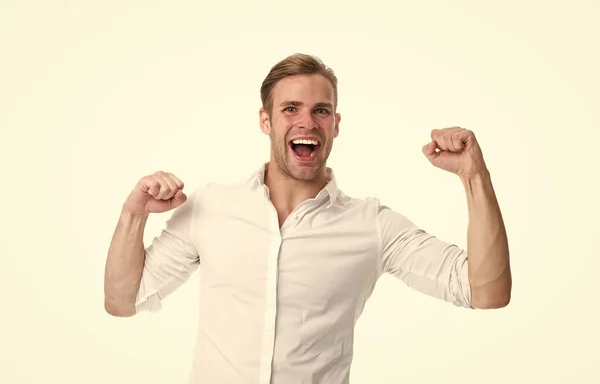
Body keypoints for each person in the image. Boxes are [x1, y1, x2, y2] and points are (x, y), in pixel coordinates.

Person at [103, 53, 512, 384]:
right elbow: (122, 301)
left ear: (335, 125)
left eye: (321, 110)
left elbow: (487, 291)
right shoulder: (210, 207)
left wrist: (474, 176)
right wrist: (132, 214)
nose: (307, 122)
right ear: (266, 121)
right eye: (290, 108)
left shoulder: (371, 225)